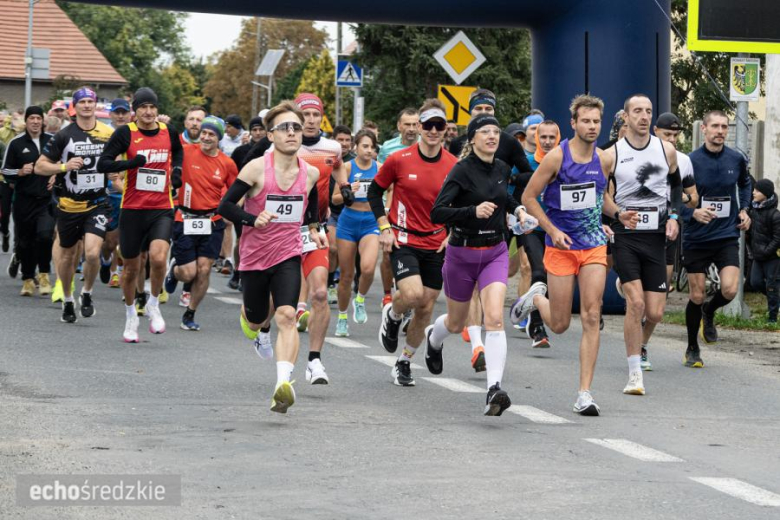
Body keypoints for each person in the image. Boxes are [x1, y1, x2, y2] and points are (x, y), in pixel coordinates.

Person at [513, 94, 635, 416]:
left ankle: (585, 393)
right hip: (561, 247)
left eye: (596, 121)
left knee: (592, 315)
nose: (592, 126)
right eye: (586, 121)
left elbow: (601, 198)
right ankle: (537, 298)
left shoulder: (605, 160)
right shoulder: (556, 158)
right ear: (574, 123)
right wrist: (552, 231)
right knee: (560, 324)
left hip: (593, 244)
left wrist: (618, 213)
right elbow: (529, 197)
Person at [218, 100, 324, 413]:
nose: (292, 132)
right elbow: (224, 207)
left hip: (288, 253)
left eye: (296, 126)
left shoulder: (312, 173)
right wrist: (252, 219)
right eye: (284, 128)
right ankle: (251, 321)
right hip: (253, 257)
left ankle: (283, 384)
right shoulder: (255, 169)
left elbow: (311, 198)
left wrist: (315, 226)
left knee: (287, 316)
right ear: (271, 135)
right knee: (257, 317)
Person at [427, 114, 536, 415]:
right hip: (461, 253)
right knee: (455, 322)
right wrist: (471, 211)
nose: (491, 136)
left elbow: (506, 200)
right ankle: (433, 340)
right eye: (484, 131)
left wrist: (520, 211)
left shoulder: (502, 168)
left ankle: (493, 390)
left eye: (495, 132)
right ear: (472, 138)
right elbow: (438, 213)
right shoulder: (461, 171)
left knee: (494, 319)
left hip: (495, 252)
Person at [369, 99, 458, 387]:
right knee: (412, 293)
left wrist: (452, 234)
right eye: (428, 125)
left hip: (436, 243)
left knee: (425, 307)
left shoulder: (453, 165)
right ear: (419, 127)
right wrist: (384, 227)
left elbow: (461, 204)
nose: (433, 130)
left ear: (445, 130)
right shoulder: (399, 159)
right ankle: (393, 314)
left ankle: (404, 361)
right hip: (403, 238)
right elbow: (374, 192)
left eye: (439, 125)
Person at [602, 94, 680, 396]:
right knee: (636, 305)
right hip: (626, 236)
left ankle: (628, 286)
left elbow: (675, 185)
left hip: (656, 237)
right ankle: (635, 374)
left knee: (656, 312)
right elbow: (601, 193)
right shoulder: (612, 154)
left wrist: (674, 215)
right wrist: (617, 213)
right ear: (626, 116)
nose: (644, 116)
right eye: (638, 111)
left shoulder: (666, 150)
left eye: (648, 111)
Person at [97, 87, 184, 343]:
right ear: (135, 110)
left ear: (157, 109)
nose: (148, 112)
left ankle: (154, 303)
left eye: (152, 107)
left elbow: (178, 152)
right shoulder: (126, 133)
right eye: (143, 107)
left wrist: (177, 171)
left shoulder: (169, 131)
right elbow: (104, 163)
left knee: (158, 259)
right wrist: (130, 164)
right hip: (133, 208)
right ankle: (130, 314)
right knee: (131, 268)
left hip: (161, 207)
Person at [35, 87, 115, 323]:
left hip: (97, 203)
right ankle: (69, 299)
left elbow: (117, 163)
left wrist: (119, 180)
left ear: (95, 106)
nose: (87, 106)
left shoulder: (108, 134)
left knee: (92, 253)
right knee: (68, 257)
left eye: (91, 101)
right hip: (69, 205)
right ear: (75, 107)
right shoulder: (64, 135)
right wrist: (63, 167)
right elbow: (40, 166)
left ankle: (87, 293)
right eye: (83, 102)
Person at [680, 110, 751, 367]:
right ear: (705, 130)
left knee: (731, 289)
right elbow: (675, 195)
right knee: (696, 295)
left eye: (724, 127)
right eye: (716, 126)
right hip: (697, 238)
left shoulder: (736, 158)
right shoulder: (690, 161)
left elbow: (745, 184)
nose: (720, 131)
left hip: (725, 235)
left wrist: (745, 209)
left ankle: (709, 312)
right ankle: (692, 348)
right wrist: (692, 212)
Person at [630, 112, 699, 370]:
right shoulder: (639, 154)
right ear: (655, 131)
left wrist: (676, 200)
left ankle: (643, 344)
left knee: (657, 305)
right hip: (636, 231)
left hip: (667, 233)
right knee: (638, 298)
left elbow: (693, 197)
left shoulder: (682, 160)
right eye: (666, 134)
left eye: (675, 134)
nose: (671, 138)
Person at [290, 93, 349, 384]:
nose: (311, 120)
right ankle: (260, 326)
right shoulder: (284, 146)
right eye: (305, 115)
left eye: (315, 115)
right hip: (280, 230)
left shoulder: (332, 147)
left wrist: (344, 185)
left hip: (315, 227)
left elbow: (336, 165)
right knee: (276, 305)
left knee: (321, 294)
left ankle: (314, 361)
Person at [165, 116, 238, 330]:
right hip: (185, 217)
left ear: (219, 138)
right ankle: (174, 270)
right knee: (188, 273)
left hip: (212, 221)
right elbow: (167, 152)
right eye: (204, 133)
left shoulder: (227, 163)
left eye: (211, 134)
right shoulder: (186, 152)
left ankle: (190, 313)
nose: (206, 137)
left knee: (204, 270)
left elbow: (236, 191)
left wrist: (230, 210)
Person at [1, 106, 55, 296]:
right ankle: (28, 279)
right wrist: (19, 172)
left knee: (45, 236)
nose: (35, 121)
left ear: (43, 121)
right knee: (25, 241)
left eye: (38, 118)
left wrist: (56, 175)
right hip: (24, 200)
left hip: (46, 201)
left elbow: (63, 165)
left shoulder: (52, 141)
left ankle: (44, 275)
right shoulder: (16, 144)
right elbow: (4, 170)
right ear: (26, 121)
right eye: (31, 118)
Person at [333, 130, 382, 337]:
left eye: (372, 147)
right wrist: (347, 193)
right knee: (346, 276)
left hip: (370, 221)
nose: (369, 150)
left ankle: (360, 299)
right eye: (364, 146)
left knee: (368, 269)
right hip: (348, 222)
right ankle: (342, 317)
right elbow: (334, 199)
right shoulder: (346, 167)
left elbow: (389, 191)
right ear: (356, 147)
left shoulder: (379, 168)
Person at [521, 120, 560, 349]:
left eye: (551, 138)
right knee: (538, 271)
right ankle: (536, 326)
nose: (546, 142)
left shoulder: (564, 162)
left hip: (556, 230)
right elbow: (511, 191)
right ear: (536, 138)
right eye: (542, 137)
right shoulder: (525, 163)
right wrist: (516, 213)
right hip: (533, 228)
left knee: (554, 279)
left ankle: (531, 305)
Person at [226, 116, 266, 291]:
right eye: (254, 130)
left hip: (265, 202)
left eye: (260, 129)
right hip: (243, 200)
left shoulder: (270, 150)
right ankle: (238, 270)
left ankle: (255, 273)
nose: (257, 133)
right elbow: (232, 178)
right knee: (242, 239)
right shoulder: (240, 151)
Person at [100, 98, 133, 287]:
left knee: (128, 239)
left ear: (129, 114)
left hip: (132, 194)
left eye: (124, 112)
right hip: (111, 194)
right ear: (111, 114)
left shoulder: (137, 134)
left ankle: (119, 273)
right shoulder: (104, 135)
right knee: (111, 242)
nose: (120, 116)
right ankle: (106, 262)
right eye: (117, 112)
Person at [749, 179, 780, 323]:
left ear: (766, 194)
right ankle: (776, 299)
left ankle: (773, 317)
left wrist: (767, 251)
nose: (753, 192)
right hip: (758, 256)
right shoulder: (753, 210)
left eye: (757, 190)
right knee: (755, 282)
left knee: (772, 285)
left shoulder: (775, 214)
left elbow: (778, 238)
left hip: (772, 257)